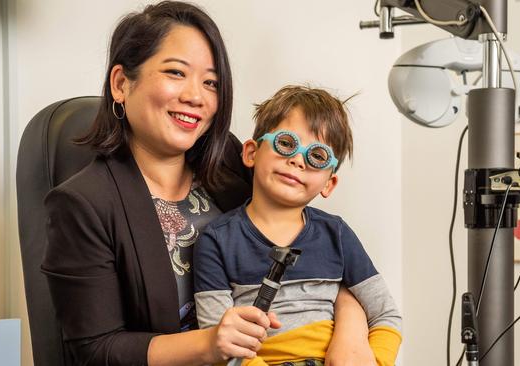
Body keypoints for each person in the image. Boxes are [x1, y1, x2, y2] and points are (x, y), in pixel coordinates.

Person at [42, 2, 373, 366]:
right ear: (121, 83)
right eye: (175, 73)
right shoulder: (83, 204)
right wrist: (208, 344)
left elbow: (315, 251)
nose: (195, 96)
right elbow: (95, 350)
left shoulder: (230, 161)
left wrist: (352, 331)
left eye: (211, 82)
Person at [194, 85, 403, 366]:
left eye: (317, 156)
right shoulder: (216, 240)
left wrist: (375, 361)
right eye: (286, 143)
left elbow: (385, 314)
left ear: (329, 183)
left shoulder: (337, 234)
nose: (297, 160)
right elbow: (219, 338)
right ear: (251, 153)